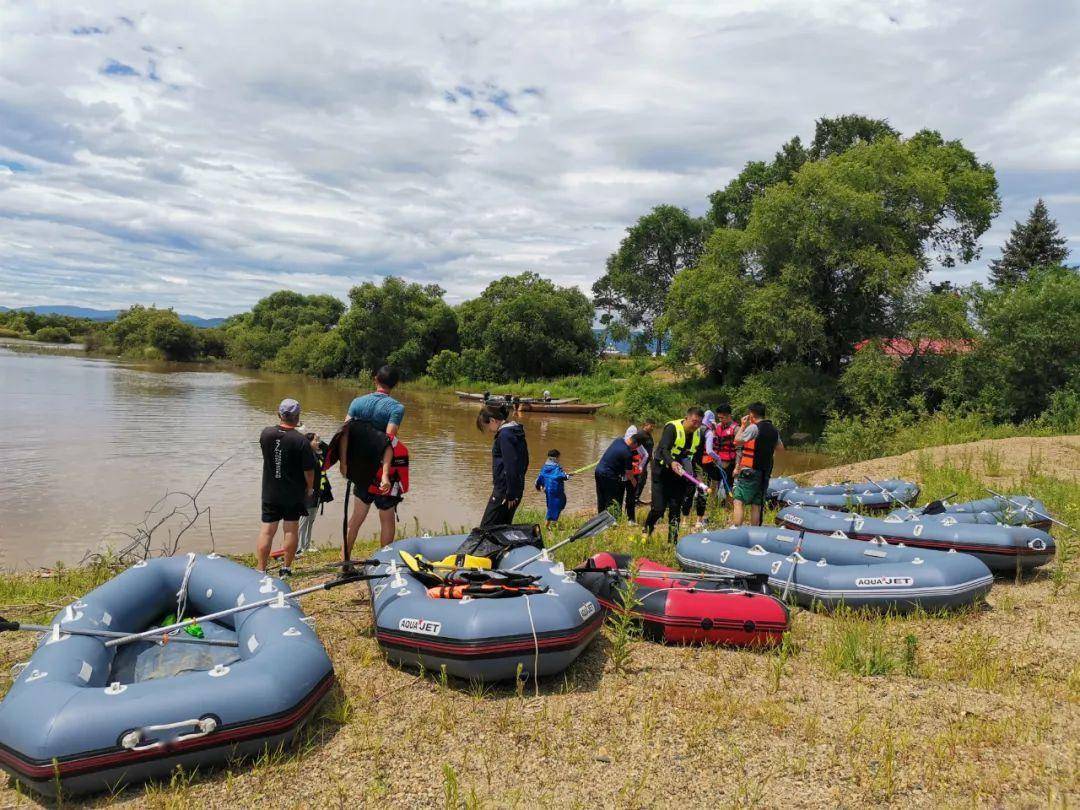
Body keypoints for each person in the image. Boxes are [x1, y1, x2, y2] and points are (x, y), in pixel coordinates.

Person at [344, 365, 405, 547]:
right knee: (386, 519)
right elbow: (388, 440)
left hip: (361, 469)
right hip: (383, 470)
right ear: (395, 384)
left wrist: (345, 464)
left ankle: (345, 560)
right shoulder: (396, 408)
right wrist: (385, 475)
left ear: (375, 379)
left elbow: (344, 433)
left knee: (356, 518)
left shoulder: (357, 402)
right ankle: (385, 563)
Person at [256, 399, 315, 575]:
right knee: (290, 529)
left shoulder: (266, 434)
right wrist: (310, 488)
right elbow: (309, 471)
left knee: (267, 531)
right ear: (297, 417)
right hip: (293, 493)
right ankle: (286, 568)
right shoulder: (301, 441)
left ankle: (261, 569)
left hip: (270, 491)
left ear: (279, 414)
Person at [645, 408, 704, 542]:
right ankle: (647, 529)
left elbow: (696, 456)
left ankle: (673, 541)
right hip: (662, 471)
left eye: (699, 423)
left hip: (680, 474)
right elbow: (664, 448)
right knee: (659, 509)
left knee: (675, 508)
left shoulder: (698, 433)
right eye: (694, 422)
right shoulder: (672, 428)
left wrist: (698, 474)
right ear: (687, 418)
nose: (696, 426)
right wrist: (672, 462)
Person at [477, 403, 529, 526]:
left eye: (487, 426)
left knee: (486, 528)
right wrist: (516, 488)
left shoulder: (505, 435)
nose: (489, 430)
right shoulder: (515, 432)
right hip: (515, 488)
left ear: (492, 420)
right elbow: (525, 462)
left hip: (505, 492)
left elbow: (510, 465)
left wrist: (510, 494)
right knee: (503, 528)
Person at [732, 402, 783, 527]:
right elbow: (780, 448)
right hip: (765, 472)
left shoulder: (754, 427)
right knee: (757, 504)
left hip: (750, 470)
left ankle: (735, 530)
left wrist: (743, 426)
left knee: (738, 501)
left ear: (751, 414)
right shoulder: (774, 430)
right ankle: (755, 531)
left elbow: (737, 441)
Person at [296, 430, 331, 555]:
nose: (318, 442)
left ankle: (306, 545)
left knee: (311, 520)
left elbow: (328, 448)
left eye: (319, 440)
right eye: (315, 440)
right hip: (307, 492)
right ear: (308, 442)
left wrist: (319, 440)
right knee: (304, 520)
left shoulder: (319, 454)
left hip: (317, 492)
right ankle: (298, 548)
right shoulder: (306, 455)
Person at [595, 432, 641, 517]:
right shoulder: (628, 453)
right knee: (611, 500)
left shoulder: (618, 440)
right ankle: (611, 521)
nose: (635, 449)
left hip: (598, 471)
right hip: (609, 475)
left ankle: (600, 518)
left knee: (601, 498)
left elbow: (617, 457)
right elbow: (629, 474)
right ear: (635, 443)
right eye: (636, 447)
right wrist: (634, 482)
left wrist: (630, 464)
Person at [535, 449, 569, 527]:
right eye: (559, 457)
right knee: (556, 505)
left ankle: (553, 523)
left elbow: (540, 477)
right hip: (556, 490)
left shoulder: (545, 467)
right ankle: (547, 525)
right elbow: (561, 476)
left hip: (548, 490)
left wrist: (538, 486)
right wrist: (566, 476)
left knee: (553, 505)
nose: (559, 459)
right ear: (555, 458)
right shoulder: (556, 468)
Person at [623, 428, 649, 522]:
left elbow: (646, 455)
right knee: (622, 495)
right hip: (626, 473)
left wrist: (641, 466)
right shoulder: (625, 443)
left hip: (633, 473)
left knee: (631, 496)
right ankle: (621, 516)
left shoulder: (637, 446)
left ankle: (630, 518)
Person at [630, 419, 656, 504]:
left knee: (643, 480)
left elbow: (650, 449)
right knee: (640, 480)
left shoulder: (649, 435)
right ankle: (633, 499)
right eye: (651, 426)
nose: (652, 428)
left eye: (653, 427)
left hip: (646, 462)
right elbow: (635, 447)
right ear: (646, 425)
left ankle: (636, 498)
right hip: (640, 462)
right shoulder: (640, 434)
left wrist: (652, 461)